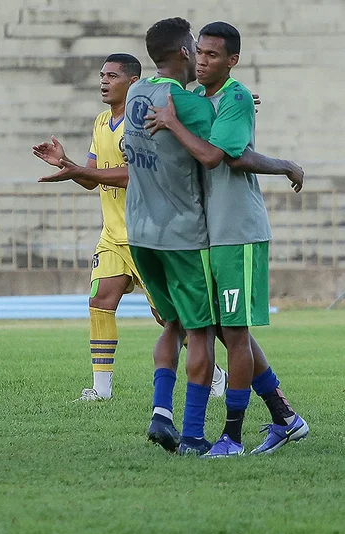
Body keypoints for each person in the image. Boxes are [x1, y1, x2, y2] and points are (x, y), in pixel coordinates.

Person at [143, 21, 308, 456]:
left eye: (213, 55)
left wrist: (287, 164)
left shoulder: (234, 97)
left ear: (232, 61)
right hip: (207, 234)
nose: (202, 60)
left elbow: (225, 158)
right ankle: (285, 417)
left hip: (238, 231)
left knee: (233, 332)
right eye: (200, 52)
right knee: (221, 329)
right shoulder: (200, 99)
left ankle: (231, 436)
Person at [33, 53, 230, 402]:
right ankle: (101, 389)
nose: (103, 81)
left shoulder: (140, 123)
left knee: (167, 317)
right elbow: (92, 180)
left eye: (112, 75)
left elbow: (135, 175)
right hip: (113, 235)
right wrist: (68, 164)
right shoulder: (99, 122)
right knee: (99, 301)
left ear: (133, 82)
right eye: (101, 75)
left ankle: (214, 375)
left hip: (148, 232)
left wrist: (80, 170)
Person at [124, 17, 218, 455]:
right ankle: (194, 435)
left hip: (140, 231)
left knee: (172, 323)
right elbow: (222, 148)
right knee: (200, 331)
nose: (199, 50)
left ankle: (161, 414)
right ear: (184, 51)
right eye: (195, 44)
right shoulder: (189, 104)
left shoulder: (137, 94)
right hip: (181, 233)